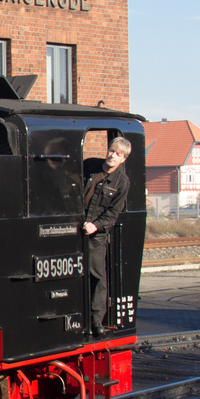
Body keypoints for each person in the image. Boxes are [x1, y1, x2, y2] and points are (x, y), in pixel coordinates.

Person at [83, 136, 132, 331]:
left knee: (97, 275)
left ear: (123, 159)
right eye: (112, 151)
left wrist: (95, 226)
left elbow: (112, 214)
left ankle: (96, 320)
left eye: (118, 154)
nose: (113, 155)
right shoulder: (90, 166)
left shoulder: (122, 182)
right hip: (75, 225)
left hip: (96, 233)